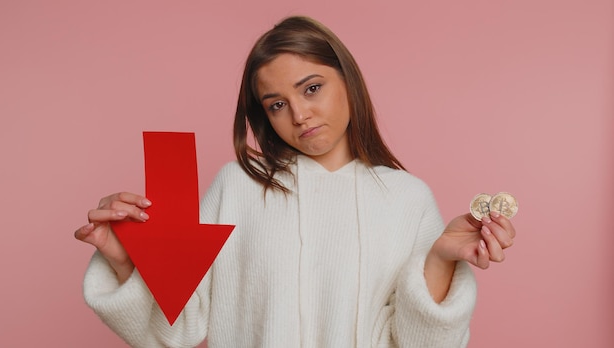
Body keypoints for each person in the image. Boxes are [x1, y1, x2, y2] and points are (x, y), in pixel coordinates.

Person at [75, 15, 516, 347]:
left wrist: (439, 259)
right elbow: (177, 328)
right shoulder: (237, 186)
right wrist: (126, 259)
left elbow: (421, 343)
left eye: (311, 88)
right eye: (276, 104)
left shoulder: (407, 198)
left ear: (347, 80)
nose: (299, 115)